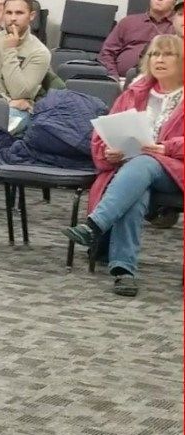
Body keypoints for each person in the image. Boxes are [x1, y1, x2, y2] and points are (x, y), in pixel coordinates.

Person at [65, 33, 183, 296]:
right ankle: (123, 271)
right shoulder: (133, 93)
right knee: (136, 190)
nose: (159, 60)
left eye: (168, 54)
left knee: (145, 163)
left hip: (175, 170)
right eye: (154, 54)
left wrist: (167, 148)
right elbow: (104, 135)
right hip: (130, 173)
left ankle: (95, 225)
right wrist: (109, 152)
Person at [98, 0, 179, 78]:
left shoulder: (178, 26)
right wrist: (113, 77)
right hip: (122, 80)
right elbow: (107, 53)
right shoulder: (128, 22)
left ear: (175, 3)